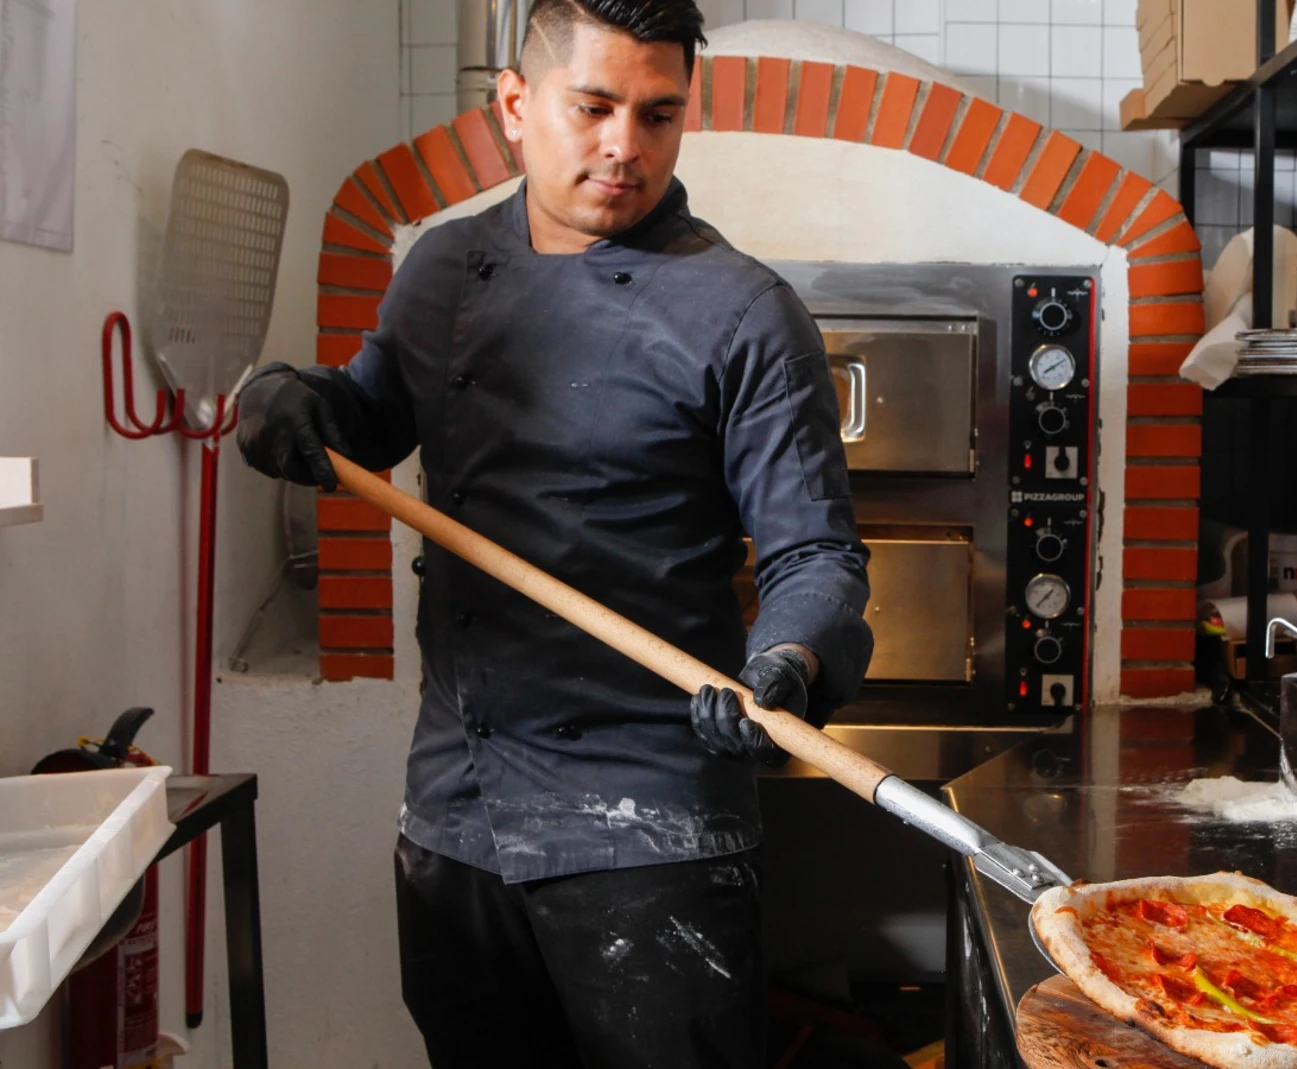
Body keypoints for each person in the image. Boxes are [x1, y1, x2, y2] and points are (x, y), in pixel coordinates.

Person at [234, 1, 872, 1064]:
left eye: (659, 114)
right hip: (456, 807)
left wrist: (787, 659)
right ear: (516, 106)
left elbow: (815, 554)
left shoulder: (742, 311)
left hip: (654, 824)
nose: (627, 145)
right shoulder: (441, 272)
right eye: (595, 106)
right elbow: (366, 411)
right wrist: (287, 399)